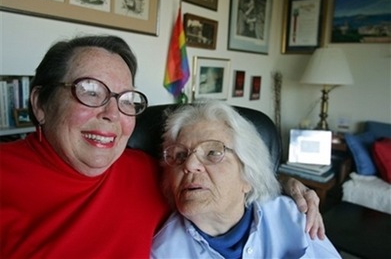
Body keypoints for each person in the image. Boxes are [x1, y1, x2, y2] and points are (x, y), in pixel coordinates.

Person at [1, 35, 322, 258]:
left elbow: (215, 177)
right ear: (40, 103)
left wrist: (284, 183)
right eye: (90, 91)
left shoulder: (144, 170)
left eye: (125, 100)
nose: (112, 114)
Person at [151, 101, 340, 259]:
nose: (189, 165)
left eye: (213, 152)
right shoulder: (163, 252)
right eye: (180, 155)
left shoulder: (293, 217)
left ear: (248, 174)